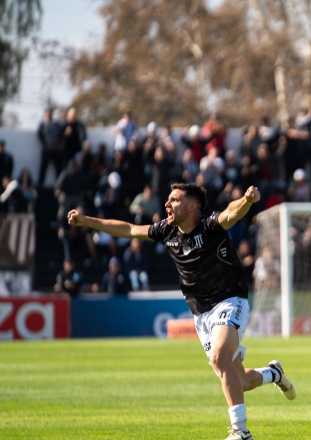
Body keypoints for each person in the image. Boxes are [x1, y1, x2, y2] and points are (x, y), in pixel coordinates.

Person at [67, 183, 295, 440]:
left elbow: (231, 213)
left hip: (230, 300)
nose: (167, 204)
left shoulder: (209, 226)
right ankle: (274, 373)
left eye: (174, 199)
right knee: (238, 381)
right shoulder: (167, 230)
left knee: (220, 357)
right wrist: (87, 221)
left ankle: (240, 431)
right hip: (201, 314)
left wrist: (246, 200)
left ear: (193, 205)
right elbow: (129, 229)